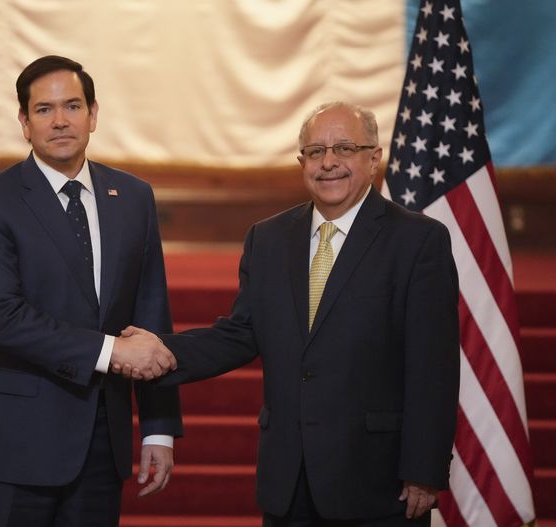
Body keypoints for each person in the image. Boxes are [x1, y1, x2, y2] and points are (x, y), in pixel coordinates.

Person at [119, 102, 460, 526]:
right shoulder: (269, 238)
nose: (328, 162)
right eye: (315, 152)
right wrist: (160, 350)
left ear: (374, 159)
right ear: (302, 162)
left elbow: (434, 368)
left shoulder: (418, 241)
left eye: (345, 148)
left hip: (378, 481)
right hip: (288, 480)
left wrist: (424, 471)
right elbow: (241, 334)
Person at [0, 55, 182, 527]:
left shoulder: (133, 196)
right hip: (10, 449)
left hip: (100, 446)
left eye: (73, 106)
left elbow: (150, 313)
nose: (60, 121)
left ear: (93, 115)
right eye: (44, 110)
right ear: (24, 121)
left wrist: (158, 429)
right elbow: (2, 317)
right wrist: (111, 351)